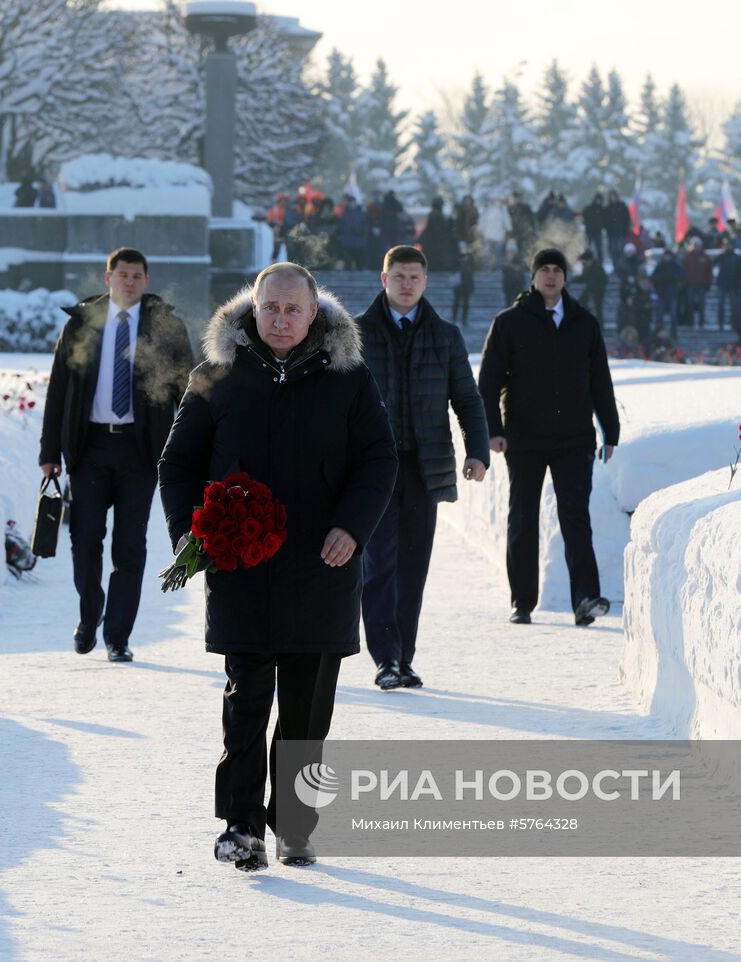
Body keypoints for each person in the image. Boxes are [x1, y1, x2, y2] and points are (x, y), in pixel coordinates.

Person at [158, 262, 396, 872]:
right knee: (245, 701)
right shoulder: (216, 377)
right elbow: (178, 464)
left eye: (294, 309)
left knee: (307, 708)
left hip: (322, 565)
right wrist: (194, 534)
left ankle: (294, 824)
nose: (282, 319)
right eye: (272, 308)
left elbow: (378, 461)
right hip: (242, 567)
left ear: (315, 312)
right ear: (252, 308)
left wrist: (352, 526)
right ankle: (241, 825)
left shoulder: (349, 379)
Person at [39, 248, 195, 662]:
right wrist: (49, 452)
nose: (129, 281)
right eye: (122, 274)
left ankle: (119, 635)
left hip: (140, 451)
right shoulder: (81, 325)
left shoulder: (166, 327)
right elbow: (58, 390)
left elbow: (187, 393)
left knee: (131, 545)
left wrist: (196, 446)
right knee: (84, 539)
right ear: (108, 277)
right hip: (90, 447)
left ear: (146, 281)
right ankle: (90, 614)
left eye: (137, 275)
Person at [356, 246, 490, 690]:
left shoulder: (445, 335)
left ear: (426, 282)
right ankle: (385, 659)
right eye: (399, 276)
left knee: (413, 567)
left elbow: (467, 399)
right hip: (374, 469)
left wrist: (477, 450)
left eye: (415, 277)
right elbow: (338, 403)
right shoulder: (357, 333)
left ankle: (403, 658)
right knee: (379, 565)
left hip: (424, 468)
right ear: (384, 279)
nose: (407, 284)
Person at [477, 248, 619, 628]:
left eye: (558, 270)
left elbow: (600, 381)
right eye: (544, 270)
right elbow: (488, 382)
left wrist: (611, 430)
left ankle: (585, 598)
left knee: (576, 517)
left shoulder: (584, 323)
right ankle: (522, 600)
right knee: (522, 517)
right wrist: (494, 430)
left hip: (574, 438)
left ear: (566, 277)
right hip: (524, 437)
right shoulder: (509, 323)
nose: (551, 276)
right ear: (533, 276)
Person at [418, 197, 457, 272]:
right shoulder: (436, 214)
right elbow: (439, 228)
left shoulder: (434, 213)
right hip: (435, 241)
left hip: (433, 241)